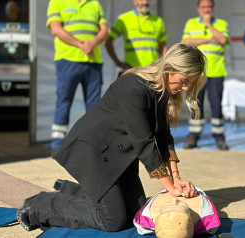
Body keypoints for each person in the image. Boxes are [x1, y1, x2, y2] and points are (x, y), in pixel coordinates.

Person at [16, 43, 207, 232]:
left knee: (136, 212)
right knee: (112, 219)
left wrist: (176, 178)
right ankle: (39, 206)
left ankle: (71, 189)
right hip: (92, 150)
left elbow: (163, 136)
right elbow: (144, 143)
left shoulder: (162, 90)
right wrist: (171, 188)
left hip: (118, 157)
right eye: (184, 80)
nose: (185, 87)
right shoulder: (133, 86)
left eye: (189, 83)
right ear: (169, 68)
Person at [47, 0, 108, 150]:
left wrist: (92, 43)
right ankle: (58, 146)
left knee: (94, 105)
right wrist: (81, 44)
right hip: (68, 60)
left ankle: (93, 144)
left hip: (93, 61)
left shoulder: (95, 3)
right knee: (64, 101)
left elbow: (104, 30)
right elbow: (56, 29)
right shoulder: (57, 2)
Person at [181, 0, 230, 151]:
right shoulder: (191, 23)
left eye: (209, 7)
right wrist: (208, 39)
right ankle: (193, 136)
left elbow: (223, 40)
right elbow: (186, 41)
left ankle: (220, 139)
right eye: (203, 7)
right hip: (196, 73)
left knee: (216, 107)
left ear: (213, 8)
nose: (206, 9)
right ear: (198, 9)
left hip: (216, 72)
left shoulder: (221, 23)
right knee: (195, 106)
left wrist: (209, 25)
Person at [105, 0, 168, 75]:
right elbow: (107, 41)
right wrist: (118, 62)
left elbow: (163, 46)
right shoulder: (124, 19)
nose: (145, 2)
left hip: (153, 71)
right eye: (141, 0)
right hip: (132, 71)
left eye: (147, 0)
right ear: (135, 1)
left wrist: (162, 64)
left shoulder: (158, 21)